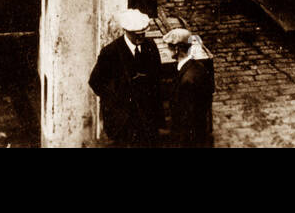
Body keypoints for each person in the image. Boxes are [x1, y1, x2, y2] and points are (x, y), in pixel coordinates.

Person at [88, 10, 163, 147]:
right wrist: (116, 99)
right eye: (137, 34)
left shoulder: (150, 46)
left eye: (143, 33)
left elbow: (157, 77)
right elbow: (95, 82)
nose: (141, 37)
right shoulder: (110, 53)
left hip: (146, 117)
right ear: (126, 31)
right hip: (122, 121)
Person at [164, 28, 214, 148]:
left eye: (169, 47)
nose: (167, 50)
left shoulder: (187, 79)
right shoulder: (199, 67)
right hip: (200, 130)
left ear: (177, 49)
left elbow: (187, 118)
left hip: (189, 139)